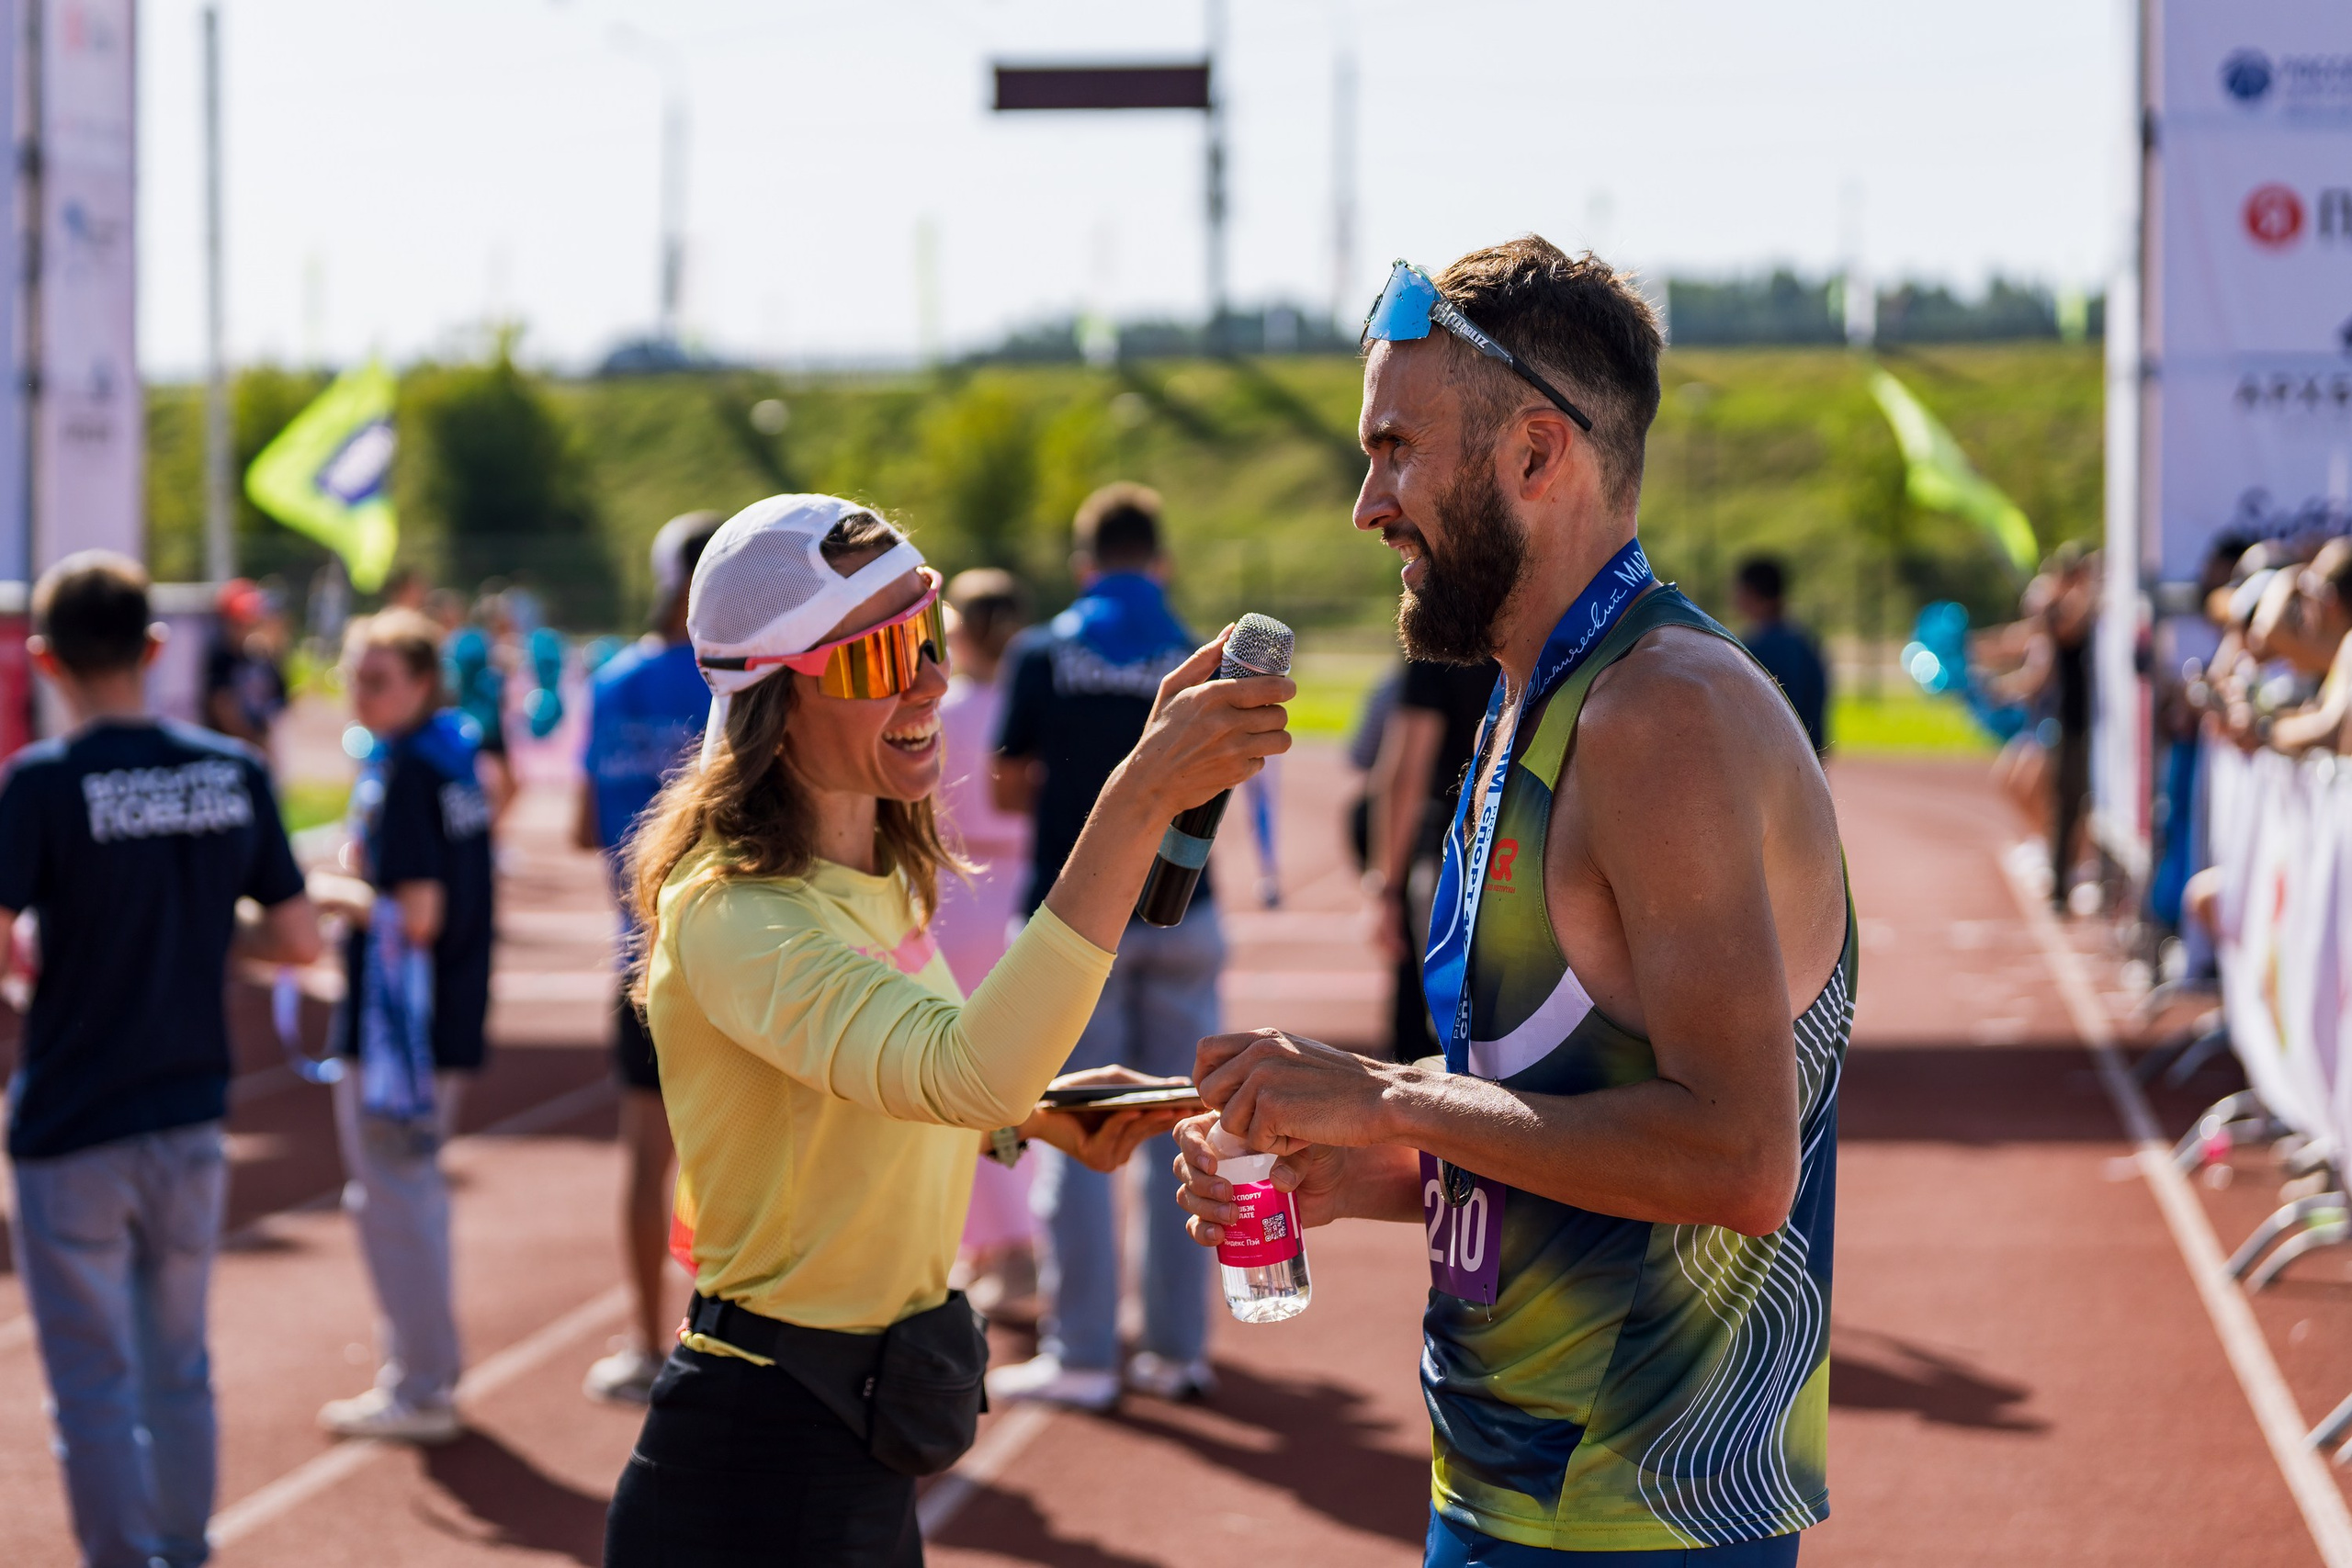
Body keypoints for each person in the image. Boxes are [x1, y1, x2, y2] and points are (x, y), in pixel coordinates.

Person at [1173, 239, 1851, 1565]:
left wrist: (1388, 1092)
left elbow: (1738, 1160)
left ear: (1538, 455)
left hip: (1639, 1519)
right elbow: (1569, 1103)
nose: (1368, 505)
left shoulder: (1662, 712)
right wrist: (1356, 1167)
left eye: (1396, 450)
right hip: (1512, 1485)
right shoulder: (1535, 697)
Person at [600, 493, 1288, 1566]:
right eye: (879, 657)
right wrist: (1141, 792)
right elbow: (966, 1071)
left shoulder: (876, 877)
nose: (928, 680)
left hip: (859, 1434)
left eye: (923, 635)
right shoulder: (734, 910)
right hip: (759, 1460)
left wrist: (1039, 1119)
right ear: (773, 692)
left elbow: (887, 1105)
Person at [0, 552, 322, 1568]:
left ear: (46, 661)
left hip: (72, 1120)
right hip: (190, 1111)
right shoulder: (232, 770)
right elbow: (302, 942)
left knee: (93, 1383)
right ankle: (184, 1552)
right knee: (177, 1367)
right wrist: (198, 930)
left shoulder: (43, 784)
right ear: (153, 646)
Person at [986, 482, 1228, 1409]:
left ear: (1085, 563)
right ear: (1158, 561)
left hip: (1072, 924)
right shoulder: (1201, 654)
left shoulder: (1042, 649)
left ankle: (1083, 1354)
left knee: (1069, 1133)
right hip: (1186, 911)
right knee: (1188, 1131)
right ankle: (1177, 1353)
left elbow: (1010, 787)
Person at [309, 608, 498, 1443]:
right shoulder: (444, 760)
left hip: (402, 1030)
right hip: (431, 1017)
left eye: (379, 677)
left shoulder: (413, 774)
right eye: (356, 675)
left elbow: (416, 913)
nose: (362, 691)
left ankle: (421, 1384)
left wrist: (325, 891)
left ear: (422, 684)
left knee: (394, 1199)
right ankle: (424, 1373)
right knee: (401, 1194)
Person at [572, 511, 723, 1404]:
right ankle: (726, 1341)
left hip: (642, 955)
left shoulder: (615, 678)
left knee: (645, 1157)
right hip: (737, 953)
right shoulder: (744, 677)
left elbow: (585, 823)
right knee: (740, 1159)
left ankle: (640, 1341)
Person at [932, 569, 1040, 1316]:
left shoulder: (942, 708)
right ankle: (1009, 1242)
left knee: (968, 1083)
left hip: (957, 896)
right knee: (1023, 1076)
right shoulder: (1032, 699)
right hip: (1030, 894)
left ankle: (1002, 1246)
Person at [1367, 655, 1499, 1060]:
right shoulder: (1556, 623)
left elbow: (1406, 771)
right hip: (1529, 850)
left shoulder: (1440, 641)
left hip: (1452, 856)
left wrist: (1387, 890)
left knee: (1449, 1038)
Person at [1731, 555, 1829, 754]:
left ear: (1751, 592)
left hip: (1772, 757)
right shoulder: (1805, 641)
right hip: (1808, 755)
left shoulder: (1757, 648)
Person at [201, 577, 289, 750]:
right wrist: (252, 741)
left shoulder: (259, 655)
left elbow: (279, 699)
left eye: (253, 622)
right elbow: (221, 704)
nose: (247, 628)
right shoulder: (222, 655)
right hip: (230, 746)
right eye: (240, 623)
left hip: (258, 741)